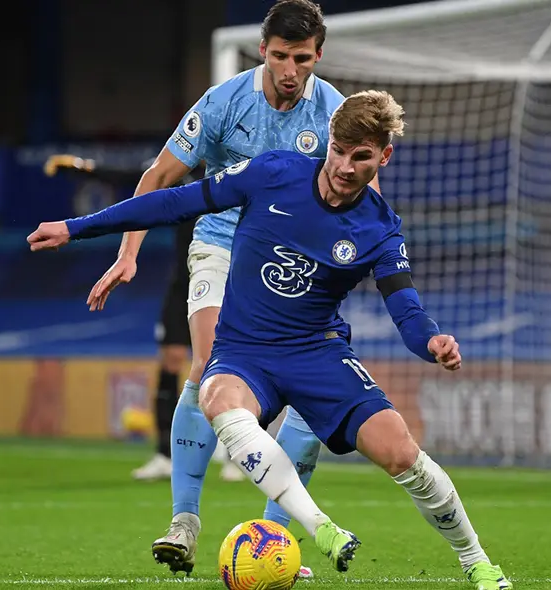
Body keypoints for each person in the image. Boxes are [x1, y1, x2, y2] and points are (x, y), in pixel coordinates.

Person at [28, 90, 512, 590]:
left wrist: (432, 342)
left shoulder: (381, 229)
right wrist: (75, 228)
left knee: (401, 454)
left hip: (317, 352)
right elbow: (174, 201)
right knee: (216, 395)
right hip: (245, 351)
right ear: (328, 139)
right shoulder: (273, 172)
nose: (345, 166)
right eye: (339, 149)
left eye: (361, 156)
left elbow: (406, 310)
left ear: (383, 157)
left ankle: (478, 562)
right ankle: (317, 527)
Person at [81, 0, 367, 577]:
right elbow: (159, 178)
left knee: (308, 390)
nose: (291, 70)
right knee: (210, 365)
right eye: (281, 57)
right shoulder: (223, 102)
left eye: (303, 59)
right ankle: (183, 523)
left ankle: (274, 534)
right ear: (263, 50)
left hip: (293, 258)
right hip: (221, 244)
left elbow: (360, 189)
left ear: (318, 56)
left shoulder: (335, 113)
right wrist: (128, 251)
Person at [43, 154, 247, 482]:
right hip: (183, 282)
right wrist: (86, 168)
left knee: (222, 365)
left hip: (227, 282)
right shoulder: (181, 172)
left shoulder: (237, 176)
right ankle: (165, 454)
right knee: (172, 359)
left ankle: (233, 453)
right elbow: (135, 176)